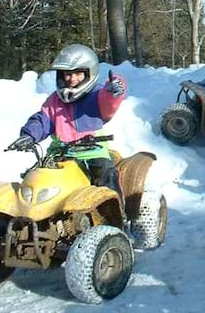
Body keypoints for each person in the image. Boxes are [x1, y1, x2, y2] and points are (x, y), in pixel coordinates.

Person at [7, 44, 127, 204]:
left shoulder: (97, 95)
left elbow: (109, 102)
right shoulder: (55, 100)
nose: (72, 79)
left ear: (89, 73)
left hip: (92, 152)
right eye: (67, 74)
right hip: (59, 153)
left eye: (78, 73)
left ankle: (117, 212)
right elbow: (43, 120)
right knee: (34, 178)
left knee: (105, 175)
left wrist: (115, 90)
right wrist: (29, 136)